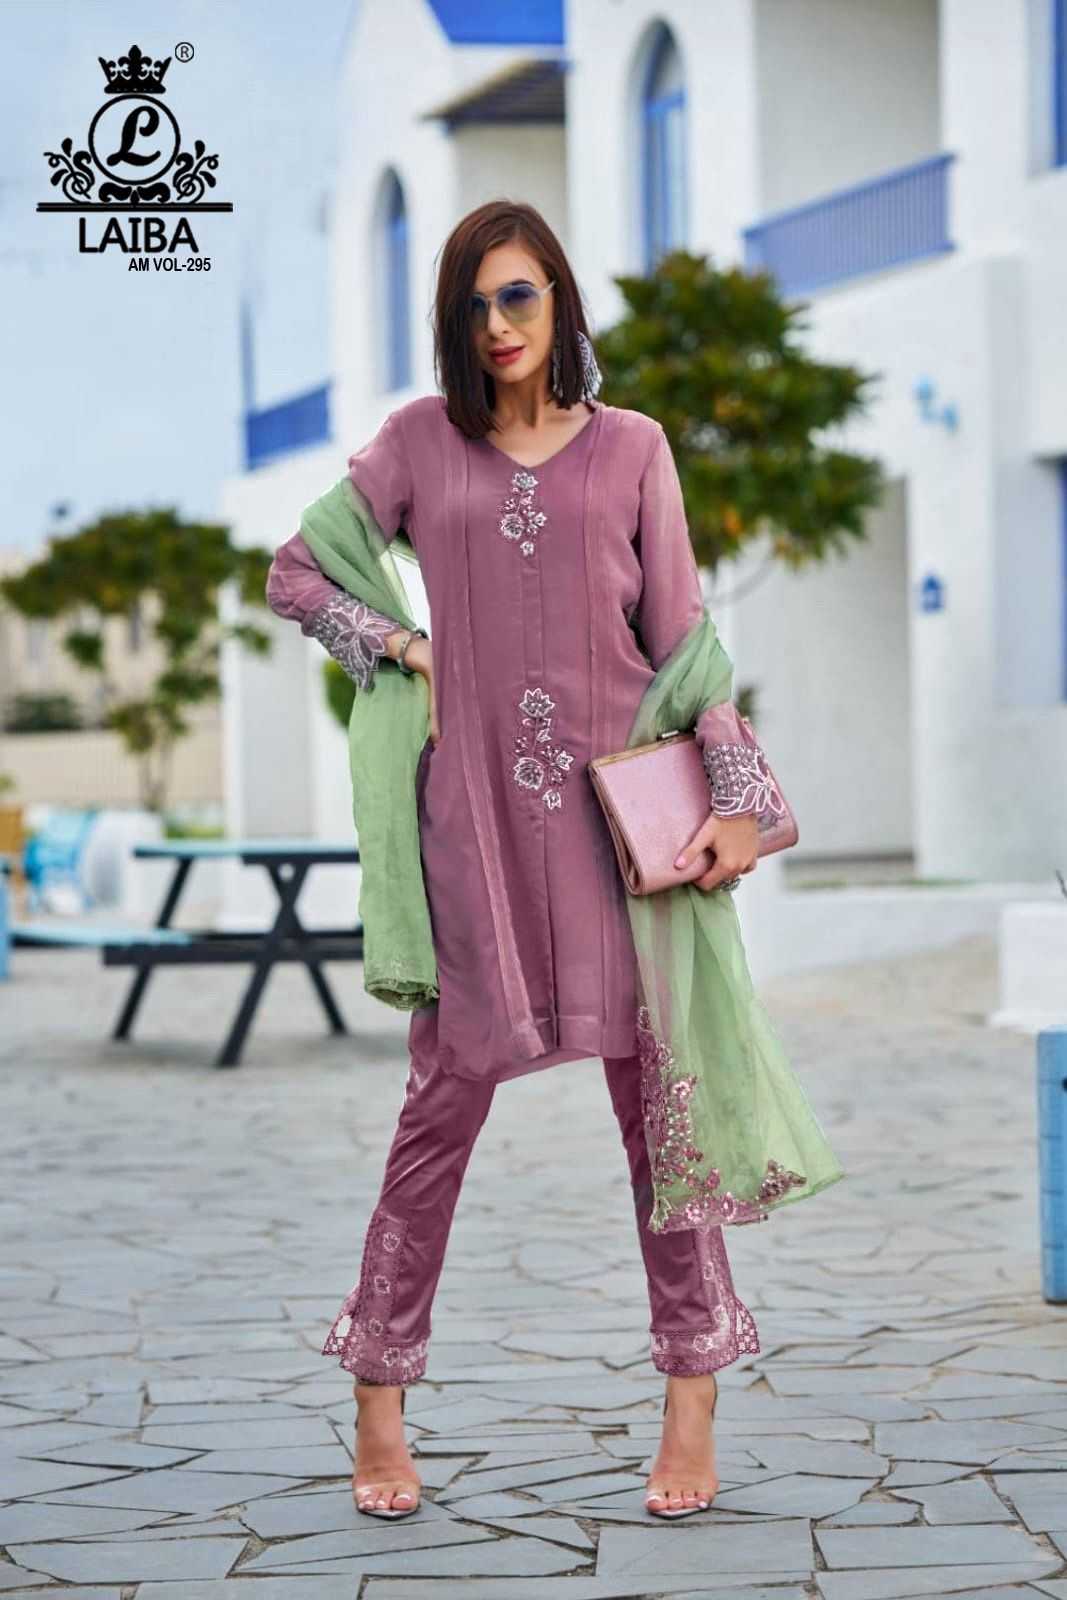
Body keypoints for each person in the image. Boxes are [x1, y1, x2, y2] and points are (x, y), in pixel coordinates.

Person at [265, 199, 773, 1523]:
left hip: (619, 829)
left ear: (559, 301)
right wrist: (404, 646)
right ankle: (378, 1393)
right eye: (475, 304)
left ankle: (692, 1398)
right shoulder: (419, 445)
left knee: (663, 1109)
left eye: (519, 297)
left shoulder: (634, 448)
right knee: (441, 1107)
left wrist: (733, 798)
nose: (498, 325)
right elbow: (297, 572)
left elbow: (685, 644)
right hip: (473, 829)